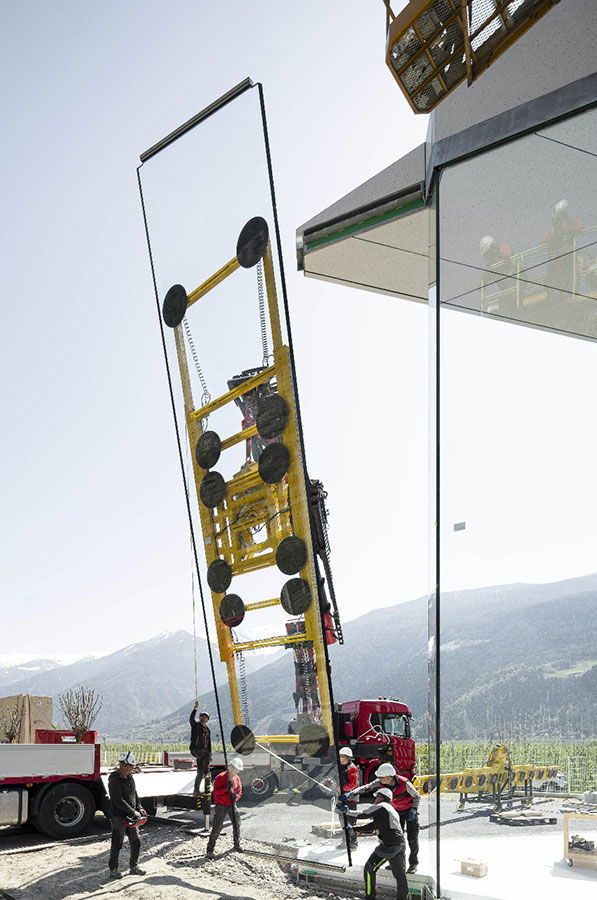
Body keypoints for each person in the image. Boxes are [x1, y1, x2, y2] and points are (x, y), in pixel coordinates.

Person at [346, 762, 420, 873]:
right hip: (396, 812)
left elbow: (417, 796)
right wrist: (351, 793)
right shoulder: (380, 783)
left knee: (412, 839)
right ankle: (396, 863)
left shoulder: (405, 783)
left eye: (381, 777)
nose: (378, 779)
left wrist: (413, 810)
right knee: (396, 839)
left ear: (389, 777)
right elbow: (366, 788)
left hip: (409, 812)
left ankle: (413, 864)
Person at [344, 786, 409, 900]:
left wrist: (347, 811)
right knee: (400, 876)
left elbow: (364, 813)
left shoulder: (381, 806)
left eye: (377, 796)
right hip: (399, 845)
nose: (375, 799)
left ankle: (370, 897)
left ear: (381, 797)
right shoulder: (391, 810)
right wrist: (354, 829)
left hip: (389, 845)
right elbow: (373, 826)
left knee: (369, 868)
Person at [107, 751, 147, 879]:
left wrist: (139, 807)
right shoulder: (114, 780)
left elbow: (134, 794)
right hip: (119, 816)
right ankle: (113, 869)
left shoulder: (129, 777)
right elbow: (118, 800)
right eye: (131, 766)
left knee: (136, 842)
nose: (133, 769)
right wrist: (133, 812)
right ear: (124, 765)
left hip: (131, 816)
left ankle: (134, 867)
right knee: (117, 842)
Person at [206, 757, 243, 858]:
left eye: (238, 770)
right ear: (230, 767)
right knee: (217, 827)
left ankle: (236, 845)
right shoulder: (220, 777)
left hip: (232, 804)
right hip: (221, 805)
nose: (237, 771)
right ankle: (210, 849)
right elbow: (216, 792)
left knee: (237, 824)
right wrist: (225, 789)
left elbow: (239, 791)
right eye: (235, 769)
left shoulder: (237, 778)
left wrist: (236, 797)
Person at [337, 747, 359, 850]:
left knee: (350, 822)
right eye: (340, 756)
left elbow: (353, 784)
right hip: (342, 798)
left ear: (348, 758)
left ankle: (353, 842)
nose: (341, 759)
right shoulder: (340, 767)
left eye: (343, 757)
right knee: (342, 821)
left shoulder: (352, 768)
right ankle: (345, 841)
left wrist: (341, 788)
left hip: (351, 798)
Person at [189, 703, 212, 797]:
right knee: (206, 755)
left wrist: (210, 754)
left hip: (202, 753)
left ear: (207, 719)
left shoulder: (208, 730)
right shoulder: (196, 726)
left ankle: (196, 790)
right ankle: (206, 772)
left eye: (206, 717)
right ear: (200, 718)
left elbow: (209, 744)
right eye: (202, 716)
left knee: (199, 772)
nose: (204, 718)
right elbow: (191, 719)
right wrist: (195, 709)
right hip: (195, 750)